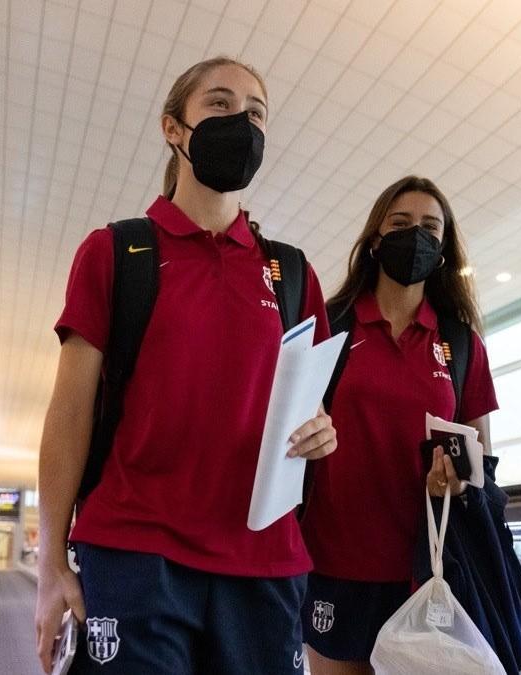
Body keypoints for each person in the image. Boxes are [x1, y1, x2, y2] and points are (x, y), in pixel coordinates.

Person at [34, 56, 337, 674]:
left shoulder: (291, 274)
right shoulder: (117, 252)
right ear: (174, 128)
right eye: (220, 105)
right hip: (136, 551)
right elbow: (68, 417)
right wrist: (49, 565)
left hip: (263, 562)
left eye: (256, 113)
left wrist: (322, 431)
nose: (242, 122)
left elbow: (310, 408)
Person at [299, 176, 499, 674]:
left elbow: (481, 466)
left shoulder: (460, 343)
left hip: (428, 571)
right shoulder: (331, 325)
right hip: (334, 564)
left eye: (431, 227)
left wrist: (456, 476)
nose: (417, 236)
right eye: (401, 224)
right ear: (374, 240)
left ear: (445, 248)